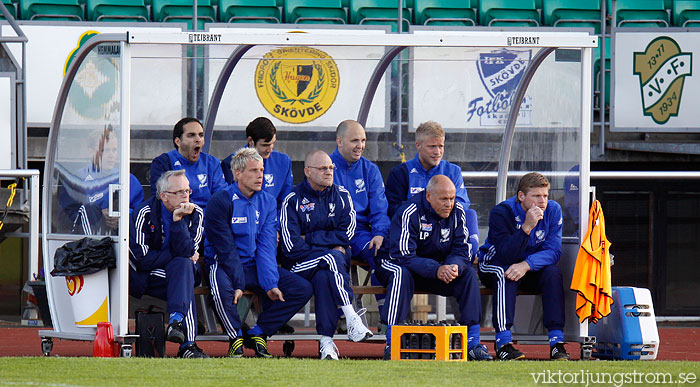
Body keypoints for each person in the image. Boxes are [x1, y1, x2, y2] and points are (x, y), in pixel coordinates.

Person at [204, 148, 313, 358]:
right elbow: (226, 250)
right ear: (237, 174)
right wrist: (237, 283)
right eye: (254, 170)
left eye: (262, 170)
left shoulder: (268, 201)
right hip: (225, 266)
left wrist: (271, 284)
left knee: (301, 288)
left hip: (253, 266)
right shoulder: (221, 200)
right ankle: (235, 337)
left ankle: (258, 332)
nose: (260, 175)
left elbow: (266, 246)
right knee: (220, 290)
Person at [375, 175, 492, 361]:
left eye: (452, 198)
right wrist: (436, 269)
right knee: (400, 274)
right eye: (444, 199)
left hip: (438, 269)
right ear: (429, 196)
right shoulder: (409, 211)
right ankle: (392, 342)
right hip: (398, 263)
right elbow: (403, 255)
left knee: (468, 273)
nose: (449, 204)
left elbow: (463, 249)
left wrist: (453, 266)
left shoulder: (458, 212)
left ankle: (472, 342)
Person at [279, 150, 373, 360]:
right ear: (308, 172)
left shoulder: (342, 195)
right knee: (332, 257)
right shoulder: (292, 200)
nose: (328, 172)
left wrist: (309, 238)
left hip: (330, 268)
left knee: (325, 277)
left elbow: (347, 235)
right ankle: (351, 317)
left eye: (331, 168)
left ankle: (326, 342)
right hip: (300, 266)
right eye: (322, 168)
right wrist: (328, 244)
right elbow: (291, 246)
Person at [478, 172, 570, 360]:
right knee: (506, 273)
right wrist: (526, 227)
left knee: (552, 273)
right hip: (494, 264)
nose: (543, 201)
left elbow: (553, 252)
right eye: (536, 196)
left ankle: (557, 343)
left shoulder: (553, 210)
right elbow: (504, 254)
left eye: (545, 195)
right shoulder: (502, 212)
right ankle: (503, 342)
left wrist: (527, 265)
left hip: (526, 267)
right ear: (521, 196)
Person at [128, 169, 208, 358]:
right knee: (184, 273)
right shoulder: (143, 213)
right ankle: (187, 344)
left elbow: (187, 252)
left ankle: (176, 323)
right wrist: (175, 253)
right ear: (163, 196)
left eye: (188, 191)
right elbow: (142, 259)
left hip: (179, 273)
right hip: (148, 277)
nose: (186, 196)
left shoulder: (196, 213)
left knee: (184, 269)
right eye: (180, 192)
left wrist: (178, 220)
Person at [329, 120, 389, 293]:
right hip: (333, 233)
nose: (360, 146)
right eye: (355, 141)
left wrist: (379, 233)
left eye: (363, 141)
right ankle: (341, 315)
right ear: (339, 141)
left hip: (360, 233)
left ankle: (386, 316)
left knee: (380, 253)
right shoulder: (325, 167)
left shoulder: (370, 170)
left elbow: (379, 209)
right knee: (332, 260)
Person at [59, 126, 143, 235]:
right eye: (105, 150)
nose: (111, 155)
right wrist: (99, 216)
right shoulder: (76, 180)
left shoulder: (128, 179)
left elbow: (140, 213)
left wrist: (121, 216)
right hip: (87, 243)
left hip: (121, 240)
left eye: (114, 150)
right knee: (90, 209)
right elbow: (64, 219)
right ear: (91, 152)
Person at [385, 120, 469, 219]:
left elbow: (462, 205)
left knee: (471, 215)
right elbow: (394, 210)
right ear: (418, 145)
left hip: (444, 229)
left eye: (440, 146)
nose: (437, 152)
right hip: (413, 230)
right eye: (432, 147)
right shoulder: (400, 173)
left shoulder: (453, 172)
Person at [150, 117, 227, 209]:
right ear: (178, 141)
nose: (198, 139)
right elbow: (160, 200)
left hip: (209, 219)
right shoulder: (163, 163)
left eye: (201, 135)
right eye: (191, 135)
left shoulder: (212, 163)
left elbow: (221, 198)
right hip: (180, 216)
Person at [221, 117, 293, 212]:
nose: (270, 149)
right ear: (251, 141)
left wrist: (273, 223)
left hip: (273, 222)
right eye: (265, 145)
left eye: (272, 144)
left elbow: (285, 202)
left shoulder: (283, 162)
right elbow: (231, 202)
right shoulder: (231, 163)